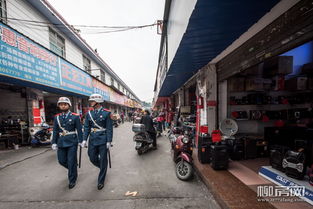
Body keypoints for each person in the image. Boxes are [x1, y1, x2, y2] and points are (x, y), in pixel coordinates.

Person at [82, 93, 113, 190]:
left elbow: (109, 128)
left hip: (103, 139)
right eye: (90, 101)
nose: (90, 102)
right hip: (92, 139)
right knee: (92, 157)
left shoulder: (106, 113)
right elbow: (86, 127)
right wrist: (84, 139)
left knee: (103, 159)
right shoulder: (89, 114)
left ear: (98, 102)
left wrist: (109, 140)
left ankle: (101, 181)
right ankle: (103, 168)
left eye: (92, 101)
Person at [51, 97, 83, 189]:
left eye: (65, 104)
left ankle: (72, 180)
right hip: (61, 142)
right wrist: (54, 142)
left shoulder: (75, 116)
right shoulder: (57, 117)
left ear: (69, 105)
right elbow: (55, 130)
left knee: (71, 160)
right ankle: (73, 169)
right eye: (61, 104)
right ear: (59, 106)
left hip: (72, 141)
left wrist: (81, 141)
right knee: (61, 160)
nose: (63, 106)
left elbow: (79, 130)